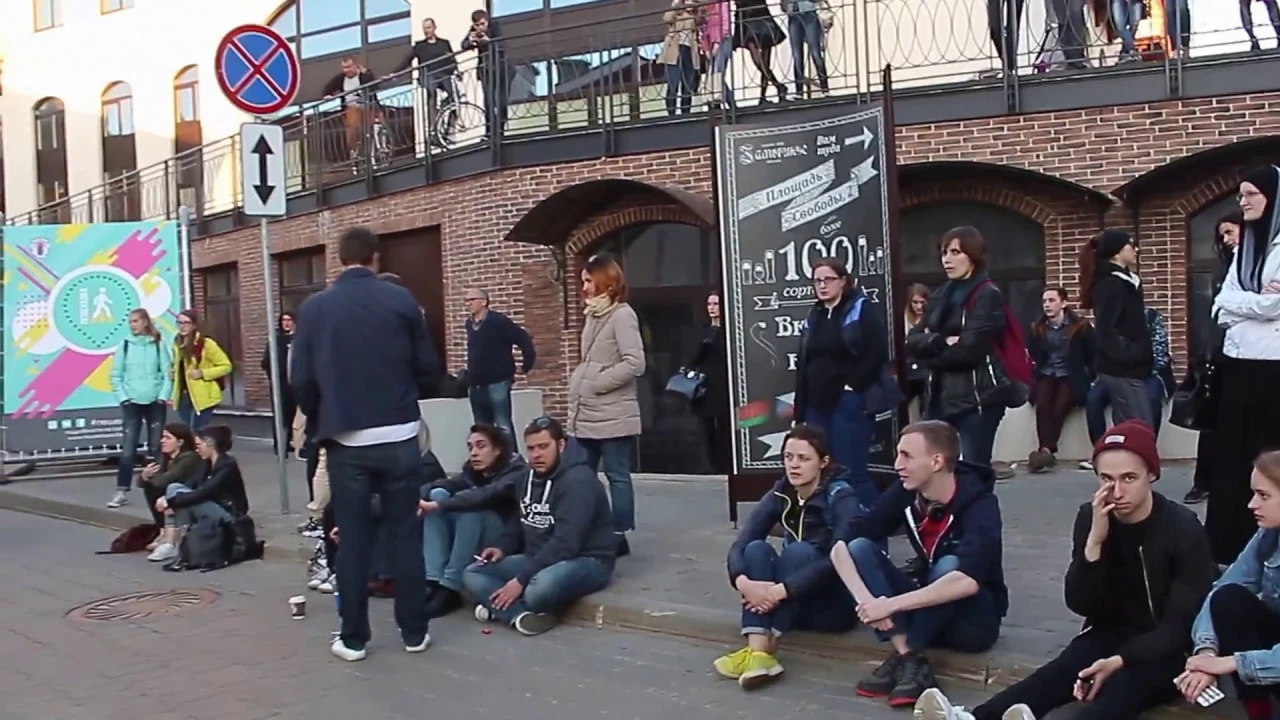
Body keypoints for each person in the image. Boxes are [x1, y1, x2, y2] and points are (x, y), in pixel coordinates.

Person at [916, 419, 1216, 720]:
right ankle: (972, 718)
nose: (1116, 491)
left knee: (1118, 693)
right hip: (1109, 635)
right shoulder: (1091, 517)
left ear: (1151, 475)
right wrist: (1094, 544)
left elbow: (1178, 627)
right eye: (1106, 479)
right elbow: (1079, 602)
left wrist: (1119, 661)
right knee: (1056, 674)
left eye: (1129, 478)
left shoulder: (1181, 528)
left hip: (1168, 650)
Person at [291, 226, 440, 662]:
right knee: (404, 536)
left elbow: (301, 378)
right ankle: (414, 632)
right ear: (377, 258)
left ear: (339, 259)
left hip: (347, 438)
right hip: (399, 435)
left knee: (353, 541)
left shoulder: (316, 308)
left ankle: (354, 638)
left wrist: (320, 418)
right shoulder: (401, 301)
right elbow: (428, 365)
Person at [830, 420, 1006, 708]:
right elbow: (842, 545)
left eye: (907, 456)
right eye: (898, 454)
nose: (897, 465)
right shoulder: (906, 491)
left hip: (971, 624)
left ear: (936, 461)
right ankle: (908, 655)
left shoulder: (980, 503)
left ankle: (907, 652)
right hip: (926, 611)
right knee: (859, 547)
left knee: (950, 566)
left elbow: (967, 581)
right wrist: (868, 603)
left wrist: (889, 606)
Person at [713, 424, 858, 689]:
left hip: (830, 605)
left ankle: (765, 649)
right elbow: (741, 544)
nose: (794, 465)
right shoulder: (781, 492)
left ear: (823, 462)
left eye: (803, 458)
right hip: (790, 603)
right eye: (788, 457)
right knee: (756, 549)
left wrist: (781, 590)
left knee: (799, 551)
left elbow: (837, 560)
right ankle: (759, 651)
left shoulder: (841, 496)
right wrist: (743, 582)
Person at [462, 416, 616, 636]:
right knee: (473, 573)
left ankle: (499, 608)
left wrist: (520, 581)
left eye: (543, 447)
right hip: (538, 557)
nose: (536, 455)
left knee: (538, 589)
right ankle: (521, 616)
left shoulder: (579, 481)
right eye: (531, 448)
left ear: (560, 445)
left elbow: (566, 544)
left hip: (587, 560)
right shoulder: (527, 476)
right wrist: (502, 547)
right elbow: (521, 519)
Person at [1208, 165, 1280, 566]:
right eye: (1241, 195)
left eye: (1251, 194)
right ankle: (1229, 549)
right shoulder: (1246, 248)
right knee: (1234, 462)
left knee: (1271, 461)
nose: (1243, 202)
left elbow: (1275, 305)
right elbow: (1221, 305)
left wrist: (1244, 307)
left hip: (1273, 372)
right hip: (1238, 368)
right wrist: (1256, 305)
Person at [906, 227, 1016, 469]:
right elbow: (911, 341)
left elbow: (968, 352)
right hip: (939, 397)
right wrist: (941, 341)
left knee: (974, 471)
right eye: (944, 252)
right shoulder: (942, 294)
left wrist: (929, 353)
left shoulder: (987, 294)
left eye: (955, 252)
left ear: (973, 255)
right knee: (935, 469)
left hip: (977, 399)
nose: (947, 259)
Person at [1182, 450, 1280, 720]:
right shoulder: (1270, 534)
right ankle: (1259, 713)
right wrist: (1206, 654)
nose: (1251, 504)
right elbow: (1224, 587)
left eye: (1263, 496)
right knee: (1228, 599)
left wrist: (1229, 663)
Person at [793, 258, 889, 510]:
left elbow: (877, 352)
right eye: (817, 281)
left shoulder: (860, 309)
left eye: (828, 279)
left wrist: (852, 386)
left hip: (848, 403)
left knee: (851, 471)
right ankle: (831, 525)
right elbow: (803, 364)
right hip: (816, 405)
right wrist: (800, 412)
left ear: (843, 281)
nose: (822, 285)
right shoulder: (814, 315)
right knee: (820, 472)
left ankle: (873, 526)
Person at [567, 253, 645, 556]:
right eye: (583, 281)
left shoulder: (623, 315)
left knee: (616, 475)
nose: (584, 287)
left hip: (613, 413)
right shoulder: (593, 314)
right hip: (587, 413)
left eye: (589, 280)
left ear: (606, 282)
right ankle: (585, 528)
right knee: (579, 474)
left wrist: (597, 382)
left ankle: (618, 534)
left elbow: (635, 363)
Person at [418, 423, 527, 618]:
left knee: (469, 509)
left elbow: (486, 494)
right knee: (437, 493)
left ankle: (451, 587)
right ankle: (433, 579)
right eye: (470, 447)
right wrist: (412, 497)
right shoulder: (472, 471)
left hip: (505, 539)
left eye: (481, 446)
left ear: (497, 449)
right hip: (474, 533)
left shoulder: (516, 471)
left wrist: (439, 505)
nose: (474, 453)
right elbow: (446, 484)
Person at [1185, 211, 1243, 505]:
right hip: (1221, 355)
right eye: (1222, 235)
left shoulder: (1259, 264)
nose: (1226, 240)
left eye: (1231, 232)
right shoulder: (1224, 269)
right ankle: (1203, 481)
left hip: (1253, 355)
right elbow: (1216, 314)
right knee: (1211, 423)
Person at [1078, 229, 1154, 428]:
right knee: (1140, 427)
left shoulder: (1126, 281)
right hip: (1121, 369)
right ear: (1116, 251)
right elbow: (1105, 330)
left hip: (1129, 370)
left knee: (1130, 426)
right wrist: (1131, 354)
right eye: (1131, 244)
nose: (1136, 249)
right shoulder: (1111, 284)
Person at [107, 308, 173, 509]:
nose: (132, 325)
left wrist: (162, 397)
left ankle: (161, 488)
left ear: (145, 322)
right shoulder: (125, 345)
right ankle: (121, 491)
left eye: (135, 321)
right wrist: (124, 399)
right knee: (128, 448)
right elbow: (115, 375)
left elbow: (167, 373)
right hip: (132, 403)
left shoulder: (158, 344)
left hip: (155, 402)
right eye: (130, 321)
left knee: (157, 447)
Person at [1026, 286, 1094, 473]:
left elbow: (1092, 355)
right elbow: (1033, 355)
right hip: (1046, 372)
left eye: (1051, 300)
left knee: (1060, 406)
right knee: (1042, 405)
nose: (1047, 305)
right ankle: (1046, 450)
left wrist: (1091, 377)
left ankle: (1045, 450)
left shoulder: (1080, 327)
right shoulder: (1038, 328)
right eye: (1044, 301)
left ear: (1064, 303)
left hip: (1070, 374)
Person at [463, 288, 535, 437]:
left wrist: (526, 364)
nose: (468, 303)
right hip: (476, 383)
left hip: (497, 381)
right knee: (482, 428)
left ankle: (509, 452)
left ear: (484, 302)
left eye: (472, 300)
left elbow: (523, 338)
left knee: (503, 425)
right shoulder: (469, 324)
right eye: (466, 300)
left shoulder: (498, 321)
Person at [155, 425, 249, 538]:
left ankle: (176, 539)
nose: (196, 450)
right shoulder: (206, 462)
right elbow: (191, 484)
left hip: (230, 512)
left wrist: (170, 502)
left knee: (187, 502)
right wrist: (168, 498)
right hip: (212, 504)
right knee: (174, 487)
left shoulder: (227, 465)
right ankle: (173, 540)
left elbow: (205, 492)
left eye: (199, 445)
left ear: (210, 444)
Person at [138, 423, 204, 563]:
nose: (162, 441)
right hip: (175, 497)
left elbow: (164, 481)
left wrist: (150, 478)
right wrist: (145, 475)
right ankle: (163, 532)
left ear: (180, 442)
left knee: (164, 488)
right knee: (151, 487)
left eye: (168, 438)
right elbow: (143, 483)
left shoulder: (189, 458)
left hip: (190, 497)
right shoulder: (167, 457)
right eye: (162, 437)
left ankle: (169, 538)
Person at [170, 310, 233, 431]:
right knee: (187, 432)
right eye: (179, 323)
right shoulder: (177, 343)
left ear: (194, 325)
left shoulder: (206, 344)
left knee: (197, 432)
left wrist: (202, 373)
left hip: (203, 397)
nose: (182, 326)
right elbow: (180, 365)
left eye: (186, 323)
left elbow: (226, 366)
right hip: (183, 395)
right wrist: (174, 372)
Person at [690, 291, 730, 474]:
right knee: (708, 427)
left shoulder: (728, 329)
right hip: (705, 385)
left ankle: (725, 463)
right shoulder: (703, 330)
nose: (712, 308)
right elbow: (693, 356)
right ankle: (713, 464)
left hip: (723, 385)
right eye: (709, 304)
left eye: (715, 304)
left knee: (724, 426)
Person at [461, 10, 507, 139]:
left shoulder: (496, 25)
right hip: (485, 69)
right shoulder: (474, 30)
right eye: (477, 25)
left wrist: (489, 41)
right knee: (488, 102)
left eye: (482, 24)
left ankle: (501, 131)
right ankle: (489, 133)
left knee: (502, 101)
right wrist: (471, 41)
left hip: (502, 68)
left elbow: (503, 45)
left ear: (487, 21)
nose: (480, 28)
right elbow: (463, 45)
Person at [260, 311, 297, 457]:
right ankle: (280, 445)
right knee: (280, 415)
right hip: (280, 385)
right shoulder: (275, 341)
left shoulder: (298, 339)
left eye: (289, 320)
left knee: (295, 415)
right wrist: (274, 378)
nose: (286, 323)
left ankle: (293, 442)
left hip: (296, 384)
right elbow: (265, 362)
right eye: (284, 320)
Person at [904, 284, 931, 415]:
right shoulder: (904, 319)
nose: (919, 307)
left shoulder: (933, 318)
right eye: (915, 302)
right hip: (909, 368)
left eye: (922, 302)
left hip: (927, 366)